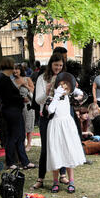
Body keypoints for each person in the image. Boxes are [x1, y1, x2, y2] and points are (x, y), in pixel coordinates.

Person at [32, 53, 68, 189]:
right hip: (46, 117)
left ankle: (62, 175)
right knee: (46, 148)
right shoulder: (42, 78)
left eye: (60, 65)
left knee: (61, 145)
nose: (58, 68)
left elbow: (69, 97)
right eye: (55, 65)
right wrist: (47, 93)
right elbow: (37, 100)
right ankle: (40, 178)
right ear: (50, 64)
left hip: (60, 117)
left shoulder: (64, 79)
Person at [46, 73, 86, 194]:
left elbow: (82, 96)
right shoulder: (51, 98)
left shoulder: (69, 96)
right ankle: (55, 182)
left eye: (66, 87)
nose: (64, 88)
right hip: (55, 126)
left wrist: (74, 88)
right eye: (62, 85)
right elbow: (50, 110)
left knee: (69, 151)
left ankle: (71, 181)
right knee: (55, 152)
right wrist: (56, 96)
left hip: (67, 125)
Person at [0, 57, 37, 170]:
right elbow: (8, 97)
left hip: (14, 110)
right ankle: (10, 162)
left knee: (19, 136)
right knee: (13, 136)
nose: (14, 69)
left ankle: (25, 161)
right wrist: (21, 99)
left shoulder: (4, 78)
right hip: (11, 110)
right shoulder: (4, 79)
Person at [13, 64, 35, 152]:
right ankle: (22, 143)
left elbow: (33, 90)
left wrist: (25, 85)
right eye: (14, 69)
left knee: (29, 124)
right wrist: (19, 85)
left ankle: (29, 144)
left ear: (20, 70)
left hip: (28, 105)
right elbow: (12, 92)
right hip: (18, 106)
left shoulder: (27, 79)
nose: (15, 71)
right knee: (20, 125)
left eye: (17, 69)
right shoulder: (12, 81)